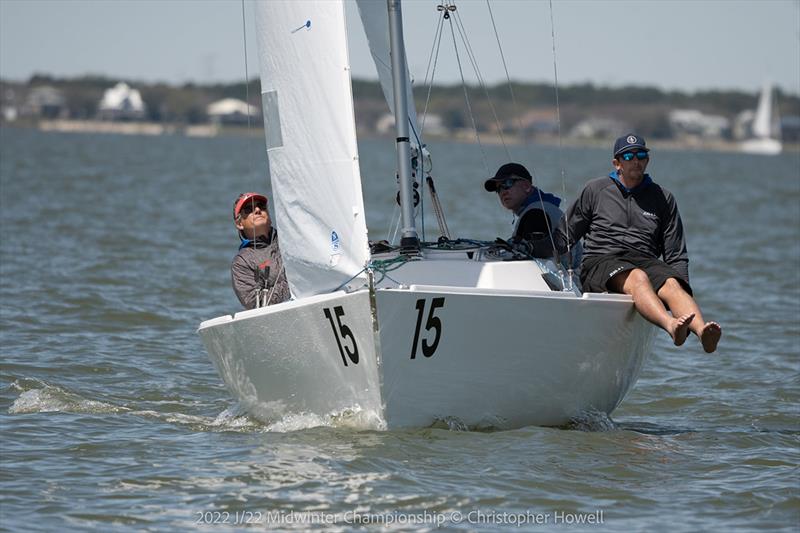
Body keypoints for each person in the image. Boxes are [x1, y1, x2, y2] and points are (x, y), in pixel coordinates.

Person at [548, 134, 721, 353]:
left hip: (644, 260)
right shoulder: (595, 190)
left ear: (647, 160)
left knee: (671, 284)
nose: (636, 160)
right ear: (617, 163)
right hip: (602, 260)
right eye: (629, 156)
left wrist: (682, 284)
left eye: (641, 155)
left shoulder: (663, 198)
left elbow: (676, 254)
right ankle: (671, 326)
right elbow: (565, 236)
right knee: (637, 277)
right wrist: (542, 252)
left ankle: (701, 331)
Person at [485, 162, 581, 268]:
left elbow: (529, 263)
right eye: (498, 189)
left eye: (507, 183)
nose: (503, 192)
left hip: (554, 282)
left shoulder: (535, 215)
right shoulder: (545, 207)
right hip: (571, 280)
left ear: (526, 186)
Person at [231, 192, 290, 309]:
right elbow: (255, 303)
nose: (257, 210)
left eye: (262, 206)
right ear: (239, 223)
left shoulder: (291, 238)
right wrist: (294, 283)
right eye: (249, 209)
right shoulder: (241, 263)